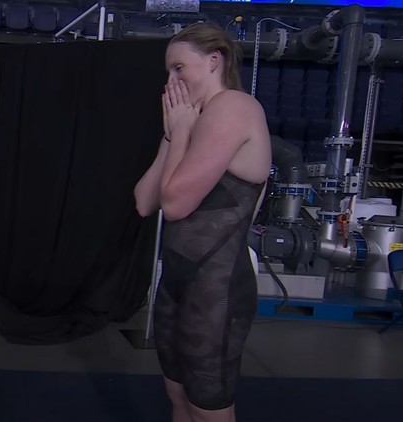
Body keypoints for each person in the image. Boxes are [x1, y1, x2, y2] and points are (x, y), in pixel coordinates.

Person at [133, 23, 271, 422]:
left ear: (214, 61)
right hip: (175, 285)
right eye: (168, 73)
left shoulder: (234, 107)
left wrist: (180, 132)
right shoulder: (189, 120)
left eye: (179, 68)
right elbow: (145, 202)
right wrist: (176, 133)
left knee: (208, 412)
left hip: (217, 291)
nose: (171, 81)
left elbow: (174, 205)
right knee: (178, 401)